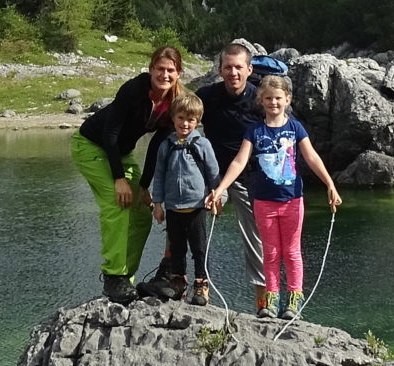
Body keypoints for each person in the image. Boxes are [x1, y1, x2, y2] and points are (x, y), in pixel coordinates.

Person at [207, 73, 341, 320]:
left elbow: (311, 157)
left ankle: (293, 303)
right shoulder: (254, 131)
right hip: (263, 202)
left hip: (292, 200)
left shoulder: (295, 128)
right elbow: (239, 161)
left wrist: (329, 184)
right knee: (270, 253)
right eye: (268, 98)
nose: (273, 103)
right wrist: (220, 188)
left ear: (287, 99)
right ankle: (270, 302)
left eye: (278, 98)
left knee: (291, 252)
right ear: (261, 100)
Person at [73, 44, 183, 302]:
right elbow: (110, 134)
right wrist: (119, 179)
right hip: (91, 145)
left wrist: (144, 187)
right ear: (150, 69)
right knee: (116, 203)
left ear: (179, 73)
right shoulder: (134, 90)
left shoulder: (174, 102)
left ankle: (126, 278)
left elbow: (156, 145)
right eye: (159, 69)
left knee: (142, 214)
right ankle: (113, 276)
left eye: (170, 70)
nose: (164, 75)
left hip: (121, 154)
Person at [199, 41, 269, 314]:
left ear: (249, 69)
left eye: (238, 67)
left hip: (249, 174)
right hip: (213, 172)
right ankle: (195, 282)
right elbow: (181, 117)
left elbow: (284, 133)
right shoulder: (207, 96)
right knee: (188, 214)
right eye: (228, 67)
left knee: (257, 236)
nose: (233, 73)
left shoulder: (259, 100)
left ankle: (263, 301)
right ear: (220, 69)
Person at [145, 88, 221, 305]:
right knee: (177, 249)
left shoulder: (202, 145)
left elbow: (213, 174)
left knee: (199, 248)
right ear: (173, 118)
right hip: (173, 207)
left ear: (197, 121)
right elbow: (158, 176)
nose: (185, 124)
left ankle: (201, 285)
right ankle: (178, 282)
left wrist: (218, 198)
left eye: (191, 120)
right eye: (181, 118)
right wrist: (157, 204)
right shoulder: (165, 146)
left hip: (197, 206)